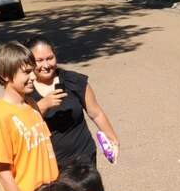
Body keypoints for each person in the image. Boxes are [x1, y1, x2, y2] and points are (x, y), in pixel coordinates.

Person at [25, 36, 120, 168]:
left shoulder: (74, 80)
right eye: (39, 60)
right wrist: (43, 105)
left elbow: (96, 113)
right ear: (29, 62)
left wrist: (113, 140)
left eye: (50, 58)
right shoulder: (25, 90)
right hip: (49, 166)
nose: (46, 65)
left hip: (84, 158)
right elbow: (23, 126)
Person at [0, 41, 58, 191]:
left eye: (32, 70)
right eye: (26, 72)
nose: (33, 77)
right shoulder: (1, 116)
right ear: (5, 75)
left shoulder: (31, 103)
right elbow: (4, 173)